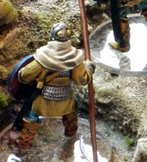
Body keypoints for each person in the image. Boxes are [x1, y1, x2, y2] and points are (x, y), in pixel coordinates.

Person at [9, 23, 93, 151]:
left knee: (31, 115)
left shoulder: (44, 56)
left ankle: (25, 142)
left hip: (44, 99)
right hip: (66, 98)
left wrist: (21, 72)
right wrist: (89, 68)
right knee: (72, 106)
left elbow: (24, 76)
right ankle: (71, 131)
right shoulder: (75, 58)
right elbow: (82, 80)